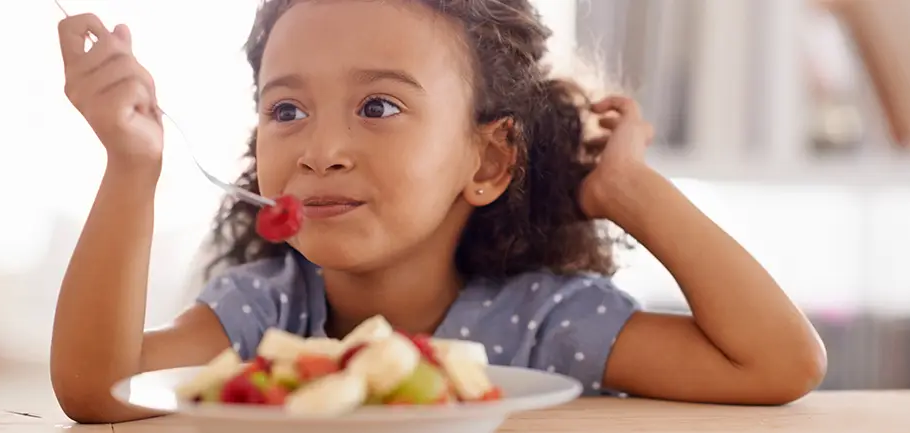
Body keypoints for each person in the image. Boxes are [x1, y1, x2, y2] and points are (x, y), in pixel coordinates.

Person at [50, 0, 827, 424]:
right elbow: (103, 389)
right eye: (286, 109)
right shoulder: (269, 309)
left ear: (487, 160)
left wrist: (629, 192)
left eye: (378, 105)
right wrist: (132, 164)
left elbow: (779, 363)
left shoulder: (540, 321)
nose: (321, 149)